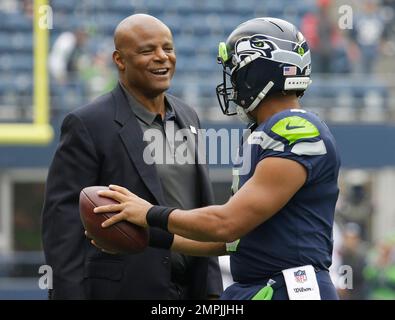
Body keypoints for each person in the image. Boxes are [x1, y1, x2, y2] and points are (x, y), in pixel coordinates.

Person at [91, 17, 341, 300]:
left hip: (290, 288)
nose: (232, 82)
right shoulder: (266, 132)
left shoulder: (295, 131)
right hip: (262, 287)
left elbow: (227, 223)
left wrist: (149, 212)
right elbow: (229, 241)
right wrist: (143, 234)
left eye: (235, 71)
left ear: (255, 72)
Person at [41, 14, 223, 300]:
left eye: (168, 48)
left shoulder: (189, 117)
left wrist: (212, 291)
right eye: (147, 50)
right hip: (123, 290)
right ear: (119, 60)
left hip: (192, 291)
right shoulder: (88, 123)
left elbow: (202, 205)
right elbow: (61, 228)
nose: (162, 57)